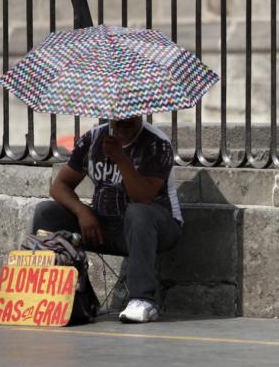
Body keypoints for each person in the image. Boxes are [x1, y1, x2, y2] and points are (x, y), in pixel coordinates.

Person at [31, 115, 182, 323]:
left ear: (139, 113)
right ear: (110, 116)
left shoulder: (157, 143)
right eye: (118, 120)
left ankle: (143, 300)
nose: (124, 124)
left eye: (130, 119)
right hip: (104, 225)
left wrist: (121, 159)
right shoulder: (93, 138)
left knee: (137, 211)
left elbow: (143, 197)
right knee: (46, 212)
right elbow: (59, 186)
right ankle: (71, 295)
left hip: (156, 227)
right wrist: (82, 211)